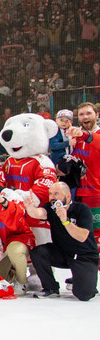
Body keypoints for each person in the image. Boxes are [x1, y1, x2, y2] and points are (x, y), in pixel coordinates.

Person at [24, 182, 98, 300]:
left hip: (84, 256)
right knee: (38, 252)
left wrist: (65, 221)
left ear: (68, 196)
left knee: (84, 295)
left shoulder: (82, 209)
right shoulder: (50, 207)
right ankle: (51, 288)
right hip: (63, 253)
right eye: (50, 194)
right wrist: (29, 207)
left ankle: (81, 278)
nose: (52, 197)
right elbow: (38, 213)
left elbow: (82, 237)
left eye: (56, 194)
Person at [67, 102, 100, 260]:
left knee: (96, 235)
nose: (85, 117)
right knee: (81, 235)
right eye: (81, 114)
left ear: (97, 115)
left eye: (89, 113)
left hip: (96, 194)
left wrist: (83, 135)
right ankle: (85, 270)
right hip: (78, 192)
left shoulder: (92, 135)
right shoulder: (75, 137)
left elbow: (95, 140)